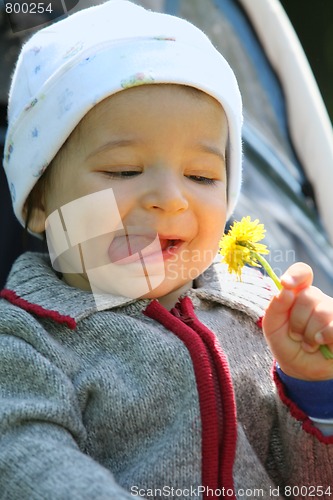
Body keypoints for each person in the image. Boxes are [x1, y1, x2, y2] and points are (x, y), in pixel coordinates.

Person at [1, 1, 333, 498]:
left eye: (200, 176)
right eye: (123, 171)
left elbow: (308, 483)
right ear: (39, 203)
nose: (169, 199)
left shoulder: (259, 314)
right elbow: (27, 459)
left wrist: (313, 391)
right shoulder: (26, 337)